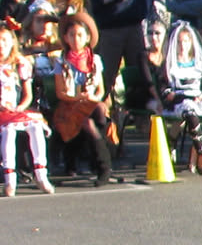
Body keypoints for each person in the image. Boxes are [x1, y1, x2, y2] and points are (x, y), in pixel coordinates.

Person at [80, 0, 166, 113]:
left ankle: (140, 118)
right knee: (104, 78)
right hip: (108, 31)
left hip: (134, 30)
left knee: (139, 77)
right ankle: (102, 119)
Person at [52, 12, 120, 185]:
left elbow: (101, 90)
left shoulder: (95, 60)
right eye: (72, 35)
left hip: (90, 102)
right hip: (69, 104)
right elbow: (60, 93)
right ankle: (104, 167)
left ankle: (95, 159)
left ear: (87, 38)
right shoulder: (61, 62)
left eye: (80, 35)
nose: (76, 39)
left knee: (99, 112)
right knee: (87, 122)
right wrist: (76, 97)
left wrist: (93, 97)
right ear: (66, 38)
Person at [155, 20, 202, 175]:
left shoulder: (198, 64)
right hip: (179, 103)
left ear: (192, 43)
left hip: (198, 100)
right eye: (179, 42)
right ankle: (201, 153)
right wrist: (176, 96)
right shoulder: (169, 65)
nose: (183, 46)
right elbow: (165, 90)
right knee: (191, 116)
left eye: (186, 41)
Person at [0, 19, 54, 195]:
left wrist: (20, 107)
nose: (1, 45)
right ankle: (10, 179)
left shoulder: (19, 63)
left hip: (15, 111)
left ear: (12, 42)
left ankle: (41, 174)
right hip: (1, 113)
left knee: (35, 126)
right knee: (8, 131)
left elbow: (27, 94)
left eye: (4, 40)